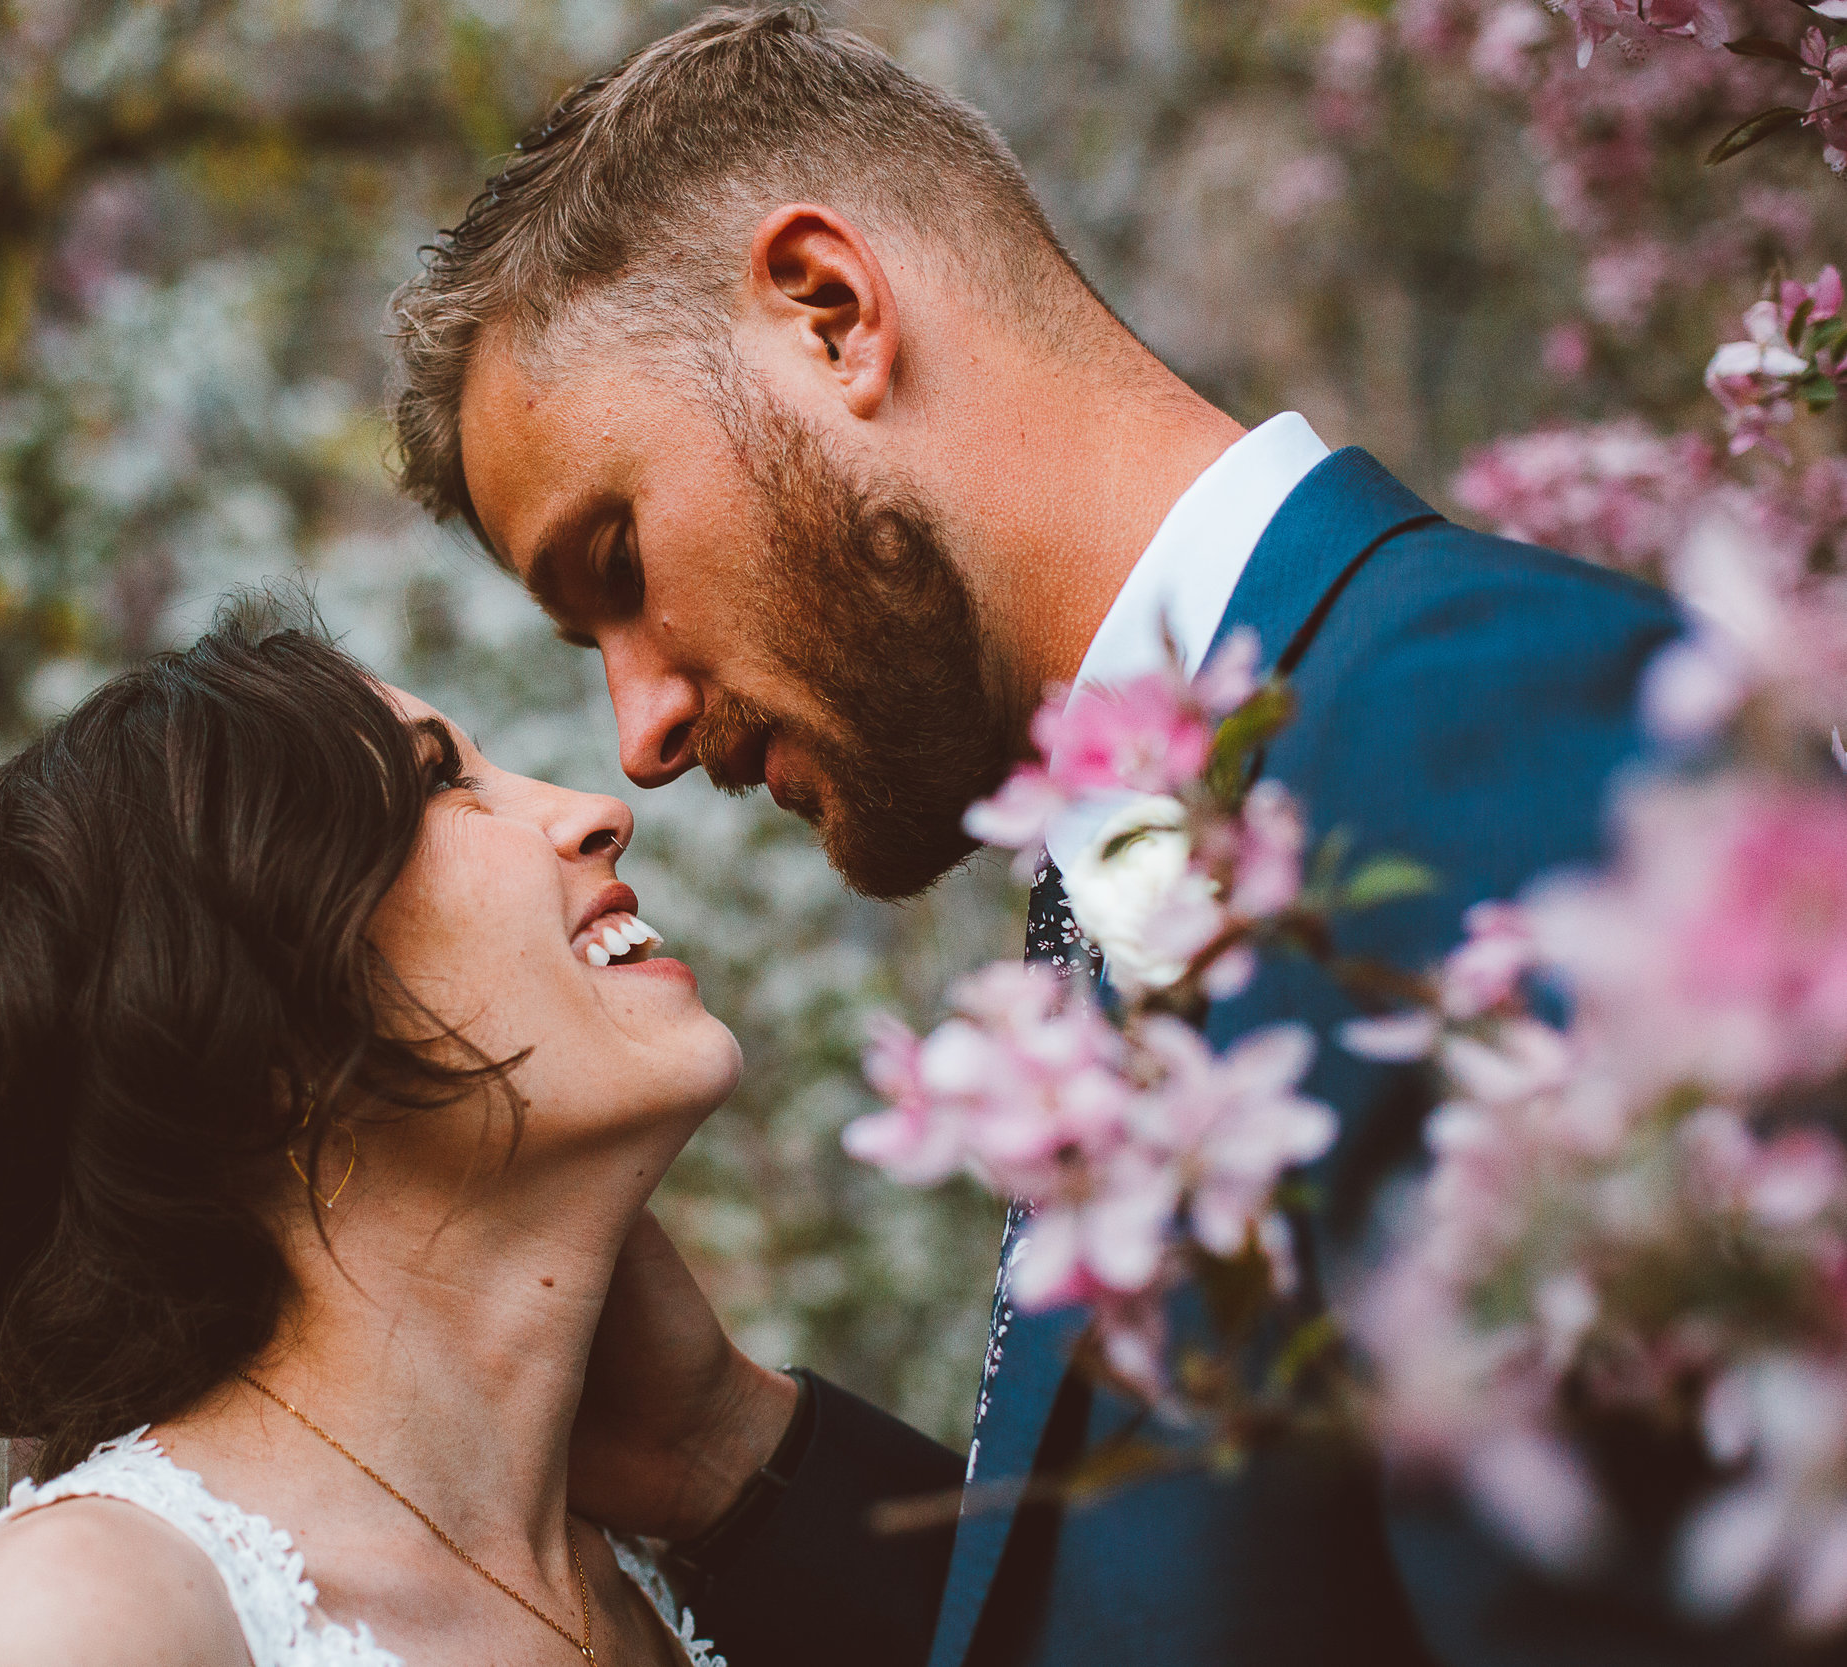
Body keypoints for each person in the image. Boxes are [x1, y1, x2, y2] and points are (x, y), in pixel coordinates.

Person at [388, 8, 1717, 1666]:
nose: (639, 731)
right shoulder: (1165, 849)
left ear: (829, 313)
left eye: (620, 564)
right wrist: (729, 1456)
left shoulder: (1498, 737)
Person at [0, 597, 773, 1667]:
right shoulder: (98, 1618)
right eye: (437, 785)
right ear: (248, 1047)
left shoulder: (657, 1587)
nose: (600, 809)